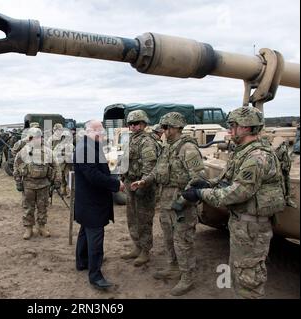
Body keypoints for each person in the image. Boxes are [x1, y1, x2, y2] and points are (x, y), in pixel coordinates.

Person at [181, 106, 285, 299]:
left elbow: (236, 193)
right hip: (242, 225)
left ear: (246, 128)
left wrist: (200, 193)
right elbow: (227, 180)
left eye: (233, 125)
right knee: (239, 274)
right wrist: (208, 184)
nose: (229, 129)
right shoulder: (242, 152)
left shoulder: (256, 157)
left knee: (249, 283)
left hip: (252, 228)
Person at [132, 112, 205, 296]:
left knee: (183, 240)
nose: (163, 131)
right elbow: (157, 171)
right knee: (168, 237)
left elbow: (199, 178)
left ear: (175, 128)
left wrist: (183, 200)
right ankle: (174, 266)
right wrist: (144, 181)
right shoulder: (168, 147)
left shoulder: (187, 148)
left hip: (181, 203)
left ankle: (187, 277)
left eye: (166, 128)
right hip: (166, 200)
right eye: (162, 128)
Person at [74, 120, 125, 290]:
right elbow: (94, 176)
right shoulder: (85, 149)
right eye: (102, 132)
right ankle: (95, 276)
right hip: (92, 203)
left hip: (88, 202)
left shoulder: (88, 146)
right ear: (94, 131)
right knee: (95, 239)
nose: (103, 135)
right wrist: (116, 185)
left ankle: (82, 262)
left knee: (84, 232)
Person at [121, 110, 160, 267]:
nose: (133, 126)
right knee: (132, 217)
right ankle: (137, 246)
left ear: (144, 124)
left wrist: (143, 183)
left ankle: (145, 250)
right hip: (131, 183)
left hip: (143, 186)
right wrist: (122, 178)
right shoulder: (130, 140)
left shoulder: (147, 141)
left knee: (144, 219)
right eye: (130, 124)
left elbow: (150, 165)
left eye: (136, 123)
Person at [14, 128, 61, 240]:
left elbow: (56, 166)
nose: (35, 140)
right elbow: (16, 166)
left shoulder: (48, 152)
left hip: (43, 184)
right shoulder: (23, 151)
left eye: (38, 137)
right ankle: (28, 228)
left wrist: (57, 181)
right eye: (32, 138)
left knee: (42, 207)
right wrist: (18, 182)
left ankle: (41, 227)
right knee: (28, 207)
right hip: (28, 184)